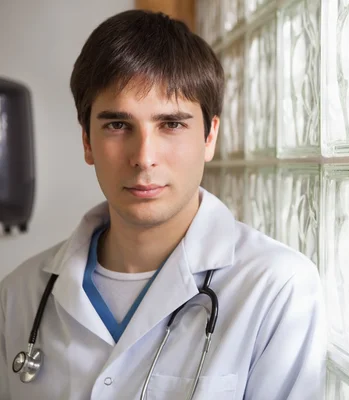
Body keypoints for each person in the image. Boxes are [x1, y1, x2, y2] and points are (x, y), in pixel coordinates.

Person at [0, 9, 326, 400]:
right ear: (87, 141)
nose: (144, 157)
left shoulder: (276, 288)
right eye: (118, 125)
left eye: (171, 124)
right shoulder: (20, 294)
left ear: (209, 138)